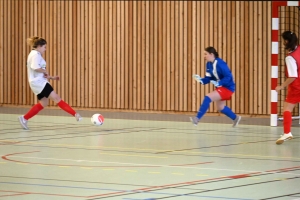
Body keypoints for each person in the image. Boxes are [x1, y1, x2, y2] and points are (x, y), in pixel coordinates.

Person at [18, 36, 82, 130]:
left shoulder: (36, 54)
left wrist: (51, 77)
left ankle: (24, 118)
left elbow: (39, 71)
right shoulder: (35, 54)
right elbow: (35, 68)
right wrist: (44, 71)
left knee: (43, 103)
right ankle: (75, 114)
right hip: (39, 83)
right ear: (39, 46)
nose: (45, 49)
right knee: (56, 98)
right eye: (44, 47)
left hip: (39, 82)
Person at [190, 46, 241, 127]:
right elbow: (208, 78)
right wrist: (201, 80)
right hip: (221, 87)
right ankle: (235, 118)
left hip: (227, 88)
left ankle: (197, 119)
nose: (204, 56)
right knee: (220, 107)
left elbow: (229, 76)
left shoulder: (220, 63)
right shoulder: (209, 64)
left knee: (208, 97)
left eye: (205, 54)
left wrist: (220, 82)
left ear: (211, 54)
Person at [275, 31, 300, 145]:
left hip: (296, 86)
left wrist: (281, 86)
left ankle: (287, 132)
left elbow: (293, 76)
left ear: (286, 41)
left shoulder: (290, 58)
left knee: (287, 109)